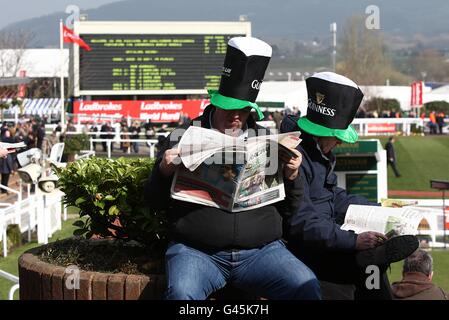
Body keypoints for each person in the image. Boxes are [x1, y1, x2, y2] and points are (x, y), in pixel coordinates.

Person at [145, 36, 320, 300]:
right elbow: (152, 201)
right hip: (197, 251)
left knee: (306, 286)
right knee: (182, 294)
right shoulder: (181, 136)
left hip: (262, 251)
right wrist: (163, 171)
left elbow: (292, 210)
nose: (236, 116)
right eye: (229, 109)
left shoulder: (267, 141)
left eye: (243, 110)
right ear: (215, 102)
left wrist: (293, 177)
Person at [280, 71, 418, 300]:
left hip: (326, 235)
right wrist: (353, 240)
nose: (339, 142)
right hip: (307, 246)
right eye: (336, 137)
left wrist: (380, 207)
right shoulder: (295, 155)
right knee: (370, 267)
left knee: (374, 269)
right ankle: (370, 255)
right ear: (320, 130)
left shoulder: (317, 150)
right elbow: (301, 221)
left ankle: (373, 255)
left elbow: (333, 196)